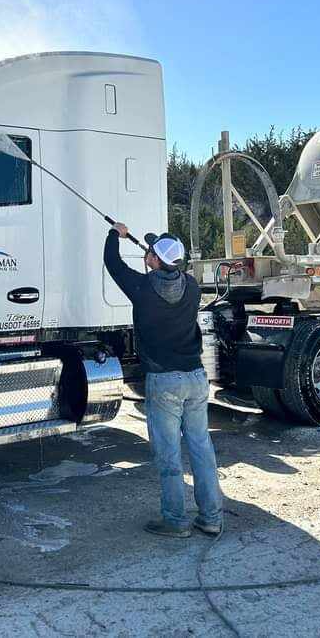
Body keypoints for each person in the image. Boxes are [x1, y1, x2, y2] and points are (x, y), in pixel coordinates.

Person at [104, 222, 223, 538]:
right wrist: (154, 253)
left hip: (164, 381)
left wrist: (114, 234)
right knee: (201, 448)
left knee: (169, 454)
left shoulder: (142, 289)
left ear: (155, 260)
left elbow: (113, 263)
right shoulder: (192, 286)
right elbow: (167, 273)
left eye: (152, 252)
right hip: (196, 378)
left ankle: (175, 521)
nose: (148, 254)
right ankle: (211, 517)